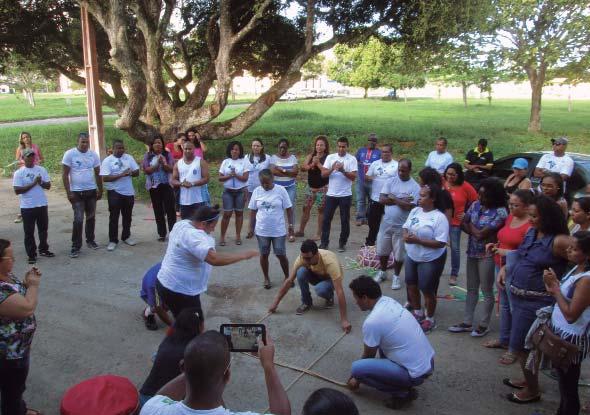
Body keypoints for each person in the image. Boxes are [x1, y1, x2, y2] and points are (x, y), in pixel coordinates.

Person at [500, 195, 570, 404]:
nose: (530, 220)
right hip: (518, 297)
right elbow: (522, 256)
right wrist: (505, 268)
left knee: (523, 347)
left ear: (547, 217)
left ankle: (532, 390)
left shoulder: (559, 241)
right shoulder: (532, 232)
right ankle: (529, 380)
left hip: (537, 303)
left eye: (535, 216)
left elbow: (581, 259)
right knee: (528, 346)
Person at [156, 205, 258, 331]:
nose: (214, 229)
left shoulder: (182, 224)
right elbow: (214, 259)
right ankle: (186, 345)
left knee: (192, 324)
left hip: (166, 283)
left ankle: (184, 337)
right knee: (193, 329)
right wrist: (243, 255)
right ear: (203, 224)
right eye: (213, 225)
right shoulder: (196, 237)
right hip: (181, 290)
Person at [139, 330, 291, 415]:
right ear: (227, 375)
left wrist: (195, 364)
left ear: (182, 367)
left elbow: (159, 398)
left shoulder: (153, 410)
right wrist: (268, 366)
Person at [347, 276, 434, 409]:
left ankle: (402, 393)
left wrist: (356, 378)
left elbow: (368, 354)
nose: (355, 302)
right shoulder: (388, 301)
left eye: (356, 298)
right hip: (428, 362)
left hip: (415, 373)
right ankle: (399, 380)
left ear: (364, 297)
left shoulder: (372, 322)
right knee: (383, 340)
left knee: (357, 369)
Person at [449, 178, 508, 337]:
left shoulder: (501, 212)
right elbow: (463, 225)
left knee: (487, 290)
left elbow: (480, 233)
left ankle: (484, 324)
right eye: (479, 195)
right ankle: (467, 322)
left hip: (488, 254)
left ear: (494, 196)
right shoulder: (475, 205)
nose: (480, 199)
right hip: (472, 252)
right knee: (471, 288)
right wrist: (474, 230)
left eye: (484, 196)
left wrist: (471, 227)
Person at [541, 231, 590, 415]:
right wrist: (553, 285)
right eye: (569, 246)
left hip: (572, 338)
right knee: (563, 384)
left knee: (569, 388)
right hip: (562, 332)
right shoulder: (576, 268)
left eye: (574, 249)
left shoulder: (586, 280)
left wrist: (555, 289)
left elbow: (571, 315)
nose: (568, 250)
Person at [482, 189, 532, 365]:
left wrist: (505, 251)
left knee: (514, 308)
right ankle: (504, 339)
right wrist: (496, 245)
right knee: (503, 304)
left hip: (516, 269)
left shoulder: (531, 224)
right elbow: (505, 237)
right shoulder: (511, 217)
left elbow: (528, 251)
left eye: (515, 205)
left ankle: (514, 348)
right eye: (510, 204)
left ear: (527, 207)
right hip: (500, 264)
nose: (511, 208)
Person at [268, 240, 351, 333]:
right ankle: (307, 302)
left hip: (330, 280)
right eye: (304, 257)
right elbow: (289, 281)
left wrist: (344, 320)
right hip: (317, 275)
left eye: (308, 258)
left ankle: (329, 296)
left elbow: (339, 291)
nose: (305, 260)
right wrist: (275, 302)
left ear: (316, 254)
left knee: (320, 289)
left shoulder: (330, 262)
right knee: (301, 272)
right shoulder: (302, 259)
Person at [0, 239, 42, 415]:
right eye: (10, 257)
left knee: (15, 387)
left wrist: (25, 283)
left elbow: (16, 293)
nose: (14, 259)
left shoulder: (5, 276)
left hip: (18, 348)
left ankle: (19, 409)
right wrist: (33, 285)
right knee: (13, 389)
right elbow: (26, 308)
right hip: (9, 353)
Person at [403, 185, 449, 333]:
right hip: (412, 254)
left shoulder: (439, 218)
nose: (419, 199)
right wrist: (405, 234)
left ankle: (429, 318)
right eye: (419, 195)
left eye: (423, 196)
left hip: (430, 258)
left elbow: (441, 242)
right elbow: (406, 226)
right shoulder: (415, 211)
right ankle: (417, 312)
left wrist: (418, 241)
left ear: (433, 199)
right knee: (411, 284)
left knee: (427, 289)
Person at [138, 307, 202, 408]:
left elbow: (154, 358)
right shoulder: (190, 352)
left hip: (144, 396)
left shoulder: (168, 340)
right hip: (160, 403)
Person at [374, 159, 420, 290]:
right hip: (386, 222)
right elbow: (381, 199)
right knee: (383, 250)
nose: (400, 173)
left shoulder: (414, 187)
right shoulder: (391, 181)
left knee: (399, 253)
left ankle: (396, 276)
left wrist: (394, 198)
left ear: (410, 171)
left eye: (404, 171)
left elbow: (409, 206)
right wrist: (400, 200)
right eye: (399, 170)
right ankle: (382, 272)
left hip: (402, 225)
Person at [247, 169, 293, 289]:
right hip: (262, 230)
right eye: (262, 183)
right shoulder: (257, 191)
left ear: (273, 179)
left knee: (281, 254)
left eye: (267, 182)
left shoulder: (281, 190)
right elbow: (252, 211)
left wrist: (291, 226)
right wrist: (250, 227)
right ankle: (266, 278)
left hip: (278, 230)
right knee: (264, 254)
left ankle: (287, 277)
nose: (265, 185)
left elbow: (289, 208)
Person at [62, 132, 103, 258]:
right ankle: (75, 246)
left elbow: (98, 173)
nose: (85, 144)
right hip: (76, 193)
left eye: (87, 142)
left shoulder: (93, 155)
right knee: (78, 219)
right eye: (82, 142)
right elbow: (64, 174)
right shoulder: (70, 154)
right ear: (78, 142)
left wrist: (100, 189)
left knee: (91, 217)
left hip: (91, 191)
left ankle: (90, 240)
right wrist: (69, 192)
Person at [13, 149, 54, 264]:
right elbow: (17, 190)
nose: (31, 159)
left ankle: (44, 249)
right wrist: (34, 183)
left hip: (41, 204)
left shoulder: (41, 170)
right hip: (27, 207)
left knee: (43, 229)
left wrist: (41, 183)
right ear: (23, 158)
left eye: (32, 156)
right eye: (28, 157)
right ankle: (31, 254)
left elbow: (48, 186)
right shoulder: (19, 173)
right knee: (29, 232)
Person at [100, 139, 140, 251]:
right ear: (112, 149)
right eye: (118, 148)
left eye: (122, 148)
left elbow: (137, 172)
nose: (120, 150)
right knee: (114, 217)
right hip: (114, 192)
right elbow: (105, 178)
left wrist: (131, 172)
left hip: (128, 192)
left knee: (127, 216)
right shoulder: (108, 161)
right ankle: (113, 240)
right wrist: (121, 174)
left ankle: (126, 236)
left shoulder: (129, 158)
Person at [320, 137, 358, 252]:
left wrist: (342, 170)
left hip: (345, 195)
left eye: (343, 146)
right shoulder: (331, 157)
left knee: (344, 220)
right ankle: (324, 243)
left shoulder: (351, 159)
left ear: (347, 147)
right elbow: (323, 174)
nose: (341, 148)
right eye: (339, 146)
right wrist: (333, 168)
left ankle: (342, 243)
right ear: (337, 146)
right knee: (326, 219)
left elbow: (353, 177)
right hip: (331, 194)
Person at [444, 162, 478, 286]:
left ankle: (454, 274)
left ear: (459, 175)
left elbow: (476, 202)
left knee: (455, 248)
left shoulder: (465, 186)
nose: (450, 177)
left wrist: (467, 214)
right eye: (448, 174)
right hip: (439, 221)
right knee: (439, 246)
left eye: (453, 175)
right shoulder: (442, 182)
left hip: (455, 222)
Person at [143, 135, 177, 241]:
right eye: (155, 143)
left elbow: (172, 169)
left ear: (162, 144)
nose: (158, 144)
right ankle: (162, 234)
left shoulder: (167, 154)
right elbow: (146, 170)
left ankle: (173, 233)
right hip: (154, 186)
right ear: (152, 145)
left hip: (167, 184)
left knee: (170, 209)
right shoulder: (148, 156)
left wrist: (164, 164)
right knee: (158, 210)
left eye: (159, 142)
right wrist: (156, 165)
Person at [296, 135, 329, 240]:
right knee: (306, 209)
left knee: (321, 210)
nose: (319, 147)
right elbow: (303, 168)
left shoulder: (328, 157)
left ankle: (319, 234)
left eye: (321, 145)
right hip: (310, 188)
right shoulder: (311, 155)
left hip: (322, 188)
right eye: (317, 145)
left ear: (325, 146)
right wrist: (311, 165)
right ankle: (301, 230)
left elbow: (326, 171)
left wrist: (317, 163)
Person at [364, 144, 398, 247]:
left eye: (387, 152)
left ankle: (388, 245)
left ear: (391, 153)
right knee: (372, 222)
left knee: (389, 224)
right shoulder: (375, 163)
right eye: (383, 152)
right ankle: (370, 243)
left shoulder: (396, 165)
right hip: (375, 198)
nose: (385, 154)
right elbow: (366, 176)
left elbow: (399, 181)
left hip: (389, 200)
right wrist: (375, 178)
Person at [218, 141, 250, 246]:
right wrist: (229, 176)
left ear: (240, 151)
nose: (234, 151)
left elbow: (245, 178)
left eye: (236, 149)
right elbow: (220, 178)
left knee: (239, 214)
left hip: (240, 191)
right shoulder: (226, 162)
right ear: (229, 150)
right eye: (232, 149)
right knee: (227, 214)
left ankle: (238, 236)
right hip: (228, 191)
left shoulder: (244, 161)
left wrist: (235, 175)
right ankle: (222, 237)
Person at [171, 140, 209, 221]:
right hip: (184, 201)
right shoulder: (178, 163)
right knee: (186, 224)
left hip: (199, 200)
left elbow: (206, 179)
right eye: (186, 149)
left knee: (199, 224)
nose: (188, 150)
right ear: (183, 149)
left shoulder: (201, 162)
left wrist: (192, 184)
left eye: (190, 149)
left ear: (194, 149)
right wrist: (181, 184)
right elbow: (173, 180)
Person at [270, 139, 298, 241]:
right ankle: (278, 230)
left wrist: (282, 169)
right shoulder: (273, 158)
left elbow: (295, 172)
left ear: (287, 148)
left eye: (284, 147)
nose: (282, 149)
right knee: (277, 208)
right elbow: (273, 171)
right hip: (277, 188)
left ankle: (291, 230)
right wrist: (289, 172)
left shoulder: (293, 158)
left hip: (290, 186)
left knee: (290, 208)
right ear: (278, 147)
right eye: (280, 147)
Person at [14, 132, 44, 224]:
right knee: (26, 192)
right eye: (24, 138)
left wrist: (38, 161)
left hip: (36, 171)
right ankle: (23, 213)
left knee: (36, 190)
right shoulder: (20, 149)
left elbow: (42, 159)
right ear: (21, 140)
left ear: (30, 138)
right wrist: (24, 162)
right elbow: (16, 161)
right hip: (25, 173)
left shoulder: (35, 147)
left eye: (27, 137)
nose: (26, 139)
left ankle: (38, 209)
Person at [354, 133, 381, 226]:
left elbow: (381, 166)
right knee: (360, 200)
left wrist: (374, 177)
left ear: (376, 142)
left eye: (374, 141)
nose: (371, 142)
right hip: (360, 180)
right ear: (367, 141)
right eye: (370, 140)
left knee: (371, 200)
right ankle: (360, 218)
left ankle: (369, 218)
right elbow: (354, 161)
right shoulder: (361, 150)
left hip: (373, 182)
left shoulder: (379, 153)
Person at [140, 262, 173, 331]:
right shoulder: (154, 285)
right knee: (161, 306)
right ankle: (148, 313)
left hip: (166, 284)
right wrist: (175, 327)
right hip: (152, 288)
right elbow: (158, 307)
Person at [245, 139, 270, 206]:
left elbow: (270, 173)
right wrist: (245, 188)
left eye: (258, 146)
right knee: (252, 209)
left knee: (262, 208)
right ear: (251, 147)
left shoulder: (268, 158)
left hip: (263, 188)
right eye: (254, 146)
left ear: (262, 147)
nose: (255, 147)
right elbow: (244, 173)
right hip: (250, 189)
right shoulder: (246, 157)